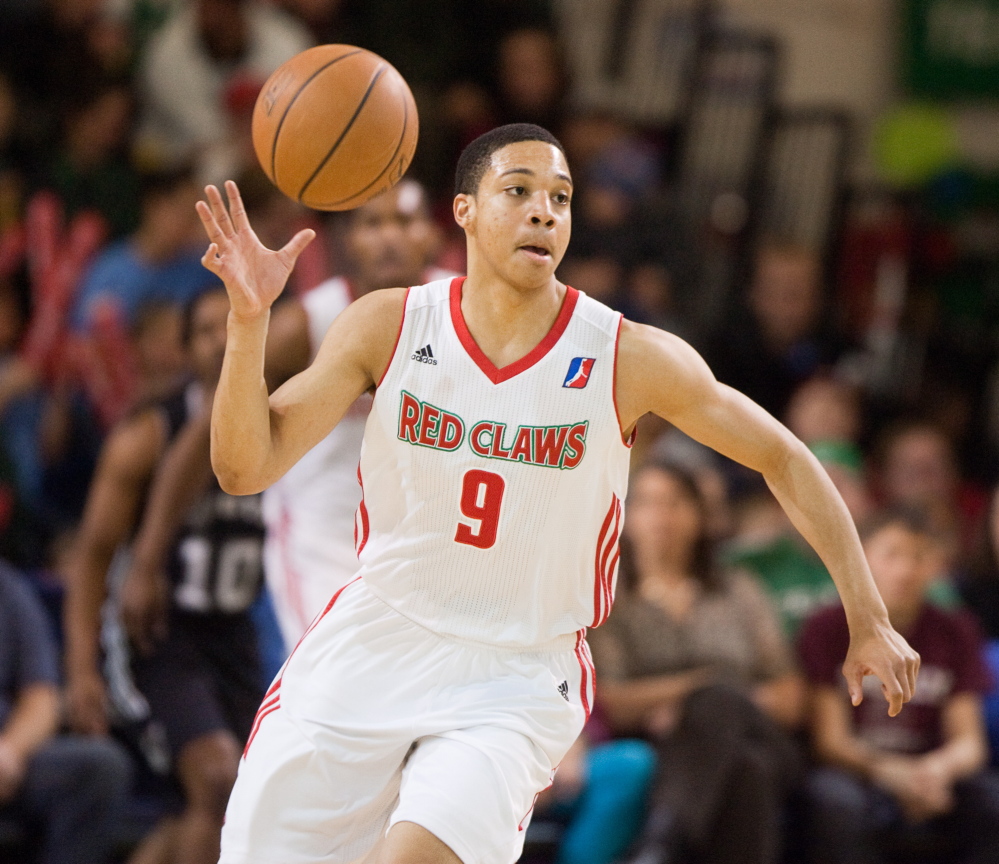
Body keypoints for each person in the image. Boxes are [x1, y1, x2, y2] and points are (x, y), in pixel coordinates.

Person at [198, 123, 918, 864]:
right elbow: (244, 468)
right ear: (463, 211)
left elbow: (786, 457)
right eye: (517, 191)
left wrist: (869, 616)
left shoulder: (624, 355)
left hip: (512, 673)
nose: (543, 211)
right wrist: (247, 323)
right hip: (375, 641)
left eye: (560, 197)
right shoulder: (388, 324)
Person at [64, 285, 265, 864]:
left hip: (234, 637)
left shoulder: (277, 415)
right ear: (184, 348)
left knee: (250, 797)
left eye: (233, 326)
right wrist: (81, 669)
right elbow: (93, 556)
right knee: (217, 780)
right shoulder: (148, 435)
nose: (223, 341)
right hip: (156, 639)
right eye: (206, 330)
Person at [589, 459, 804, 864]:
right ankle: (662, 844)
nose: (661, 516)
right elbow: (612, 701)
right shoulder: (610, 597)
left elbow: (790, 698)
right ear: (626, 514)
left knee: (717, 706)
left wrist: (711, 701)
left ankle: (662, 843)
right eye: (648, 503)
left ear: (700, 515)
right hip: (665, 746)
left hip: (763, 735)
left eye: (674, 503)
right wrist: (705, 688)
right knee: (746, 772)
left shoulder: (738, 590)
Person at [799, 508, 999, 864]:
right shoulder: (826, 627)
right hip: (860, 771)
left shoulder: (957, 630)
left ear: (938, 564)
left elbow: (970, 742)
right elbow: (830, 741)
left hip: (931, 772)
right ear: (863, 559)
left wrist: (935, 771)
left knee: (989, 798)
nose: (905, 570)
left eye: (919, 557)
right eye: (892, 554)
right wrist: (890, 773)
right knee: (833, 799)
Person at [0, 559, 132, 864]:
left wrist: (10, 751)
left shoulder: (10, 591)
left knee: (100, 766)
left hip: (7, 757)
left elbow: (42, 697)